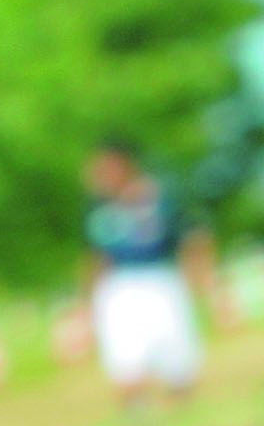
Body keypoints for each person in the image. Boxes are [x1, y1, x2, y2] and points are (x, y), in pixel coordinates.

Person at [80, 139, 216, 410]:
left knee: (177, 360)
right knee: (126, 361)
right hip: (119, 287)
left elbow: (193, 235)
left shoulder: (160, 197)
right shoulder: (98, 208)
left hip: (160, 279)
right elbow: (96, 256)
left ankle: (184, 413)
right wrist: (88, 302)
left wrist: (202, 277)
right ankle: (139, 419)